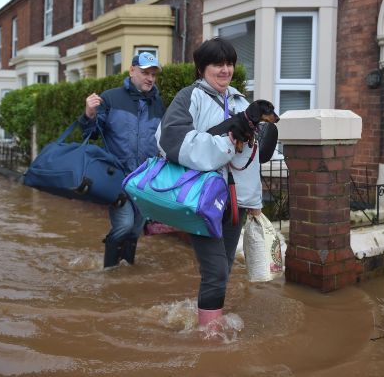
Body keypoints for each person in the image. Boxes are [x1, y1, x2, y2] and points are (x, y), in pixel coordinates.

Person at [156, 37, 262, 331]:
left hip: (235, 202)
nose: (225, 70)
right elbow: (171, 142)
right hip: (202, 200)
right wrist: (226, 141)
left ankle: (203, 316)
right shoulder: (190, 97)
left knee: (224, 268)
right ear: (202, 68)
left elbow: (249, 162)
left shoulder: (241, 101)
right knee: (215, 271)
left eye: (229, 63)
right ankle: (209, 338)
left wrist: (254, 203)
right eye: (218, 63)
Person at [79, 52, 166, 267]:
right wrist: (89, 114)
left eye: (153, 74)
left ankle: (126, 269)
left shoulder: (159, 104)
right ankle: (109, 270)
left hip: (145, 181)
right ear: (132, 71)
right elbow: (92, 133)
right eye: (145, 72)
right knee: (125, 224)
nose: (150, 78)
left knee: (136, 228)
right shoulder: (110, 98)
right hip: (117, 177)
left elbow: (164, 140)